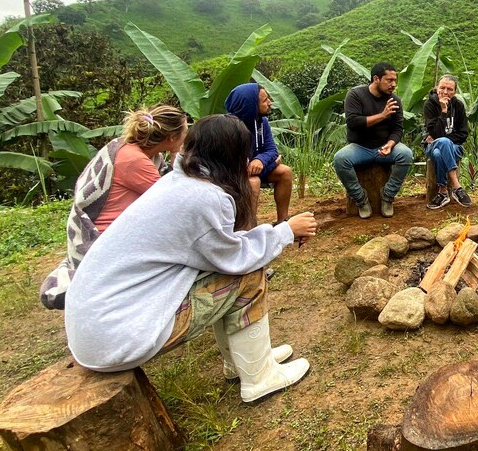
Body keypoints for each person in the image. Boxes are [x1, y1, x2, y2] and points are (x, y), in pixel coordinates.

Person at [65, 115, 317, 402]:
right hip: (117, 337)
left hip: (97, 326)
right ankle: (259, 378)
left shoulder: (179, 181)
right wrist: (285, 231)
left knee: (229, 275)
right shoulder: (204, 197)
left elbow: (219, 251)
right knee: (248, 275)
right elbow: (235, 258)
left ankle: (241, 361)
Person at [39, 105, 188, 310]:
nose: (187, 135)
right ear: (171, 138)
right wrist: (179, 156)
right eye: (185, 130)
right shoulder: (135, 161)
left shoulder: (128, 147)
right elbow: (174, 199)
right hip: (107, 235)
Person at [333, 62, 413, 219]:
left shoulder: (394, 100)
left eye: (395, 80)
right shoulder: (355, 95)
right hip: (359, 147)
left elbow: (398, 129)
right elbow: (353, 122)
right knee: (340, 159)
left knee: (406, 154)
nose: (393, 84)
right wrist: (382, 116)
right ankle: (361, 199)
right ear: (376, 79)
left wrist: (390, 145)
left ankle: (388, 195)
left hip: (385, 147)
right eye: (389, 80)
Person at [225, 82, 294, 223]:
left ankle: (283, 221)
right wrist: (272, 163)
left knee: (285, 172)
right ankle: (249, 227)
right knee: (253, 182)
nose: (270, 103)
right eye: (265, 100)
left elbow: (271, 150)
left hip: (254, 171)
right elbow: (242, 170)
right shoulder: (230, 128)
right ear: (251, 104)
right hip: (232, 175)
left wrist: (261, 160)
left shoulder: (262, 122)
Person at [423, 75, 471, 209]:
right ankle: (457, 187)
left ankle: (443, 192)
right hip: (431, 147)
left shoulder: (458, 106)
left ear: (455, 92)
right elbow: (436, 133)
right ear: (437, 88)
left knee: (440, 151)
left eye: (449, 89)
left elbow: (463, 134)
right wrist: (443, 111)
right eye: (442, 88)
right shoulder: (430, 105)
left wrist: (444, 141)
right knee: (440, 145)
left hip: (454, 147)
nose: (445, 92)